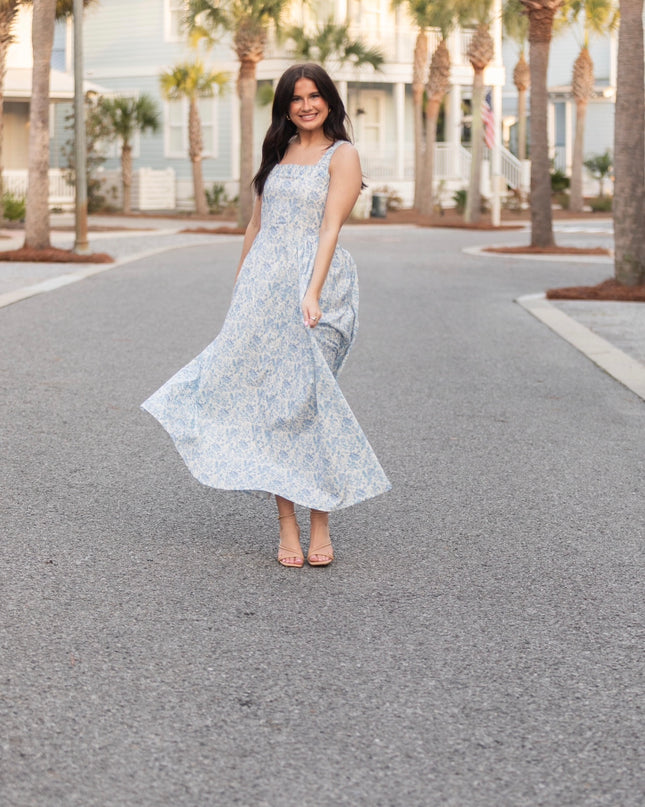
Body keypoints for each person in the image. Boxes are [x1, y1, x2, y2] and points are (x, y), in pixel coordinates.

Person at [142, 63, 390, 568]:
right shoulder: (276, 152)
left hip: (317, 287)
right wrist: (241, 289)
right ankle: (286, 526)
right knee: (273, 408)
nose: (306, 105)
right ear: (285, 105)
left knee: (309, 401)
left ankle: (321, 519)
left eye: (315, 96)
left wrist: (313, 292)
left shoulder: (342, 155)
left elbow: (329, 231)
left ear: (329, 101)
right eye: (296, 98)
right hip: (264, 289)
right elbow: (256, 225)